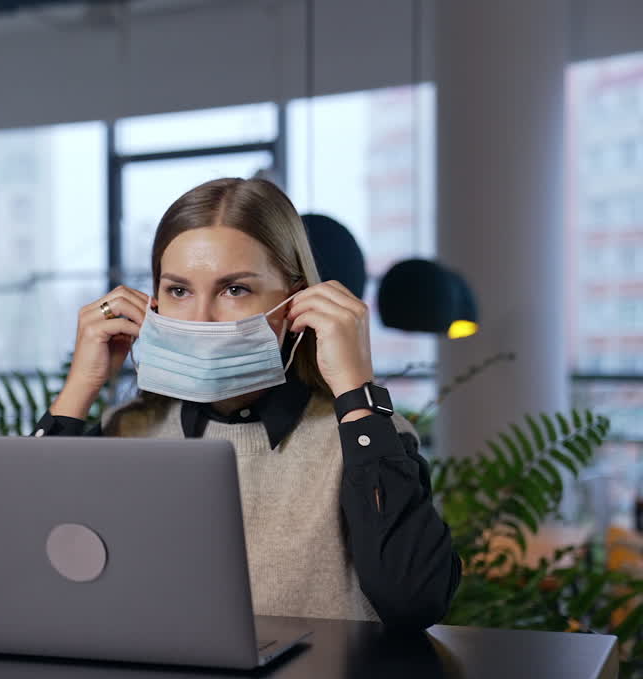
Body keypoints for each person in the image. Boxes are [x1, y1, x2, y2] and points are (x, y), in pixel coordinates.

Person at [33, 178, 460, 631]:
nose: (201, 319)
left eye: (234, 289)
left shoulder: (363, 436)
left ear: (296, 301)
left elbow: (414, 601)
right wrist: (80, 386)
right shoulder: (124, 432)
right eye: (179, 291)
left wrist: (356, 393)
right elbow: (26, 570)